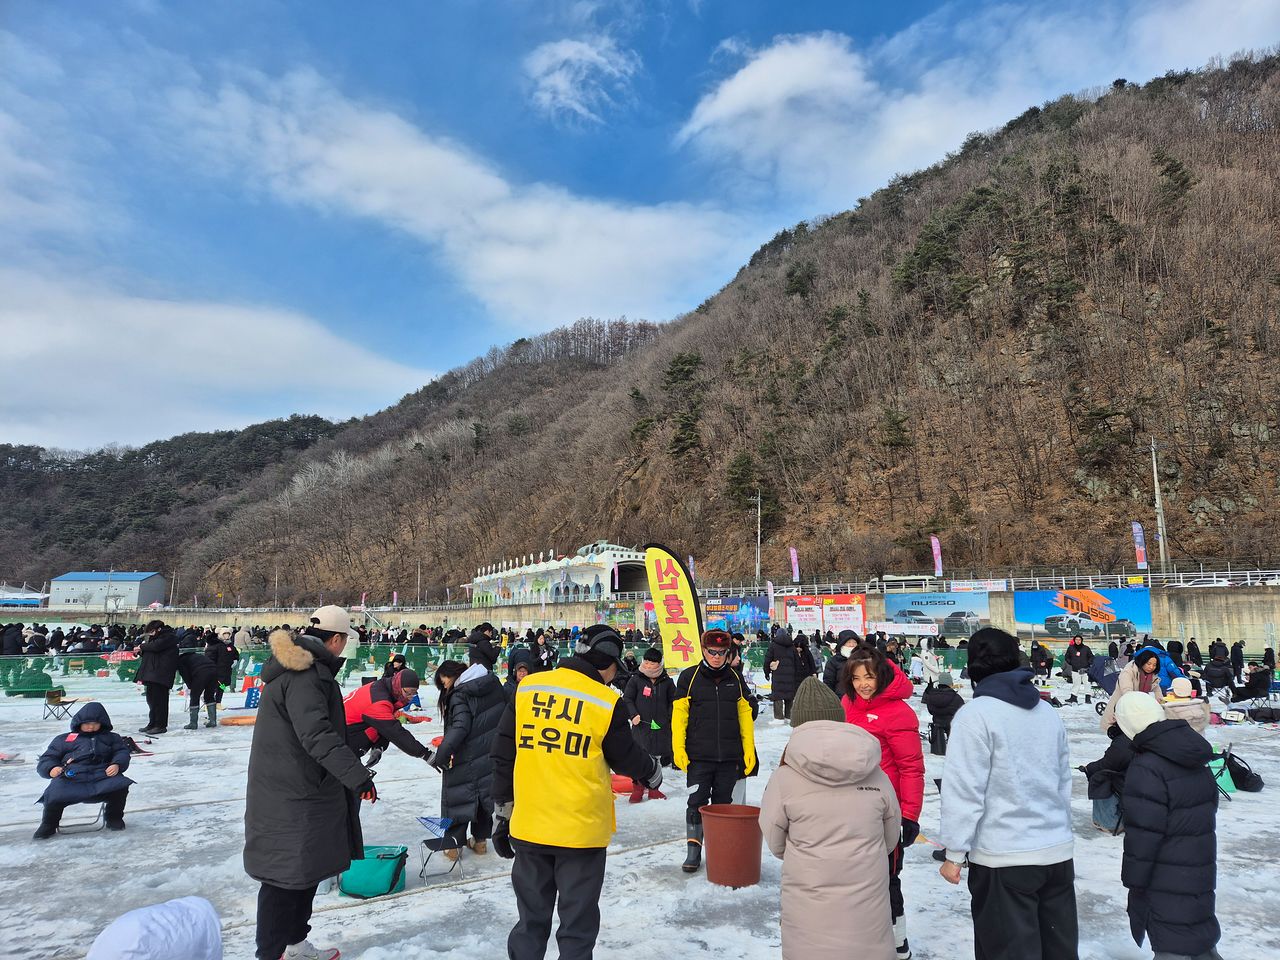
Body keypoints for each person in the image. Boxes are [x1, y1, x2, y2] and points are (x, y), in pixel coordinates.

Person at [490, 624, 661, 960]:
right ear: (609, 663)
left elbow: (503, 753)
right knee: (577, 928)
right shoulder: (604, 702)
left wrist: (502, 812)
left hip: (530, 825)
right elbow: (625, 757)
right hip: (580, 833)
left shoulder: (528, 688)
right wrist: (652, 771)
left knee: (530, 922)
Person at [939, 628, 1077, 960]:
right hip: (1055, 854)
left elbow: (964, 790)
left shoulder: (976, 716)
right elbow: (1062, 780)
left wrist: (954, 853)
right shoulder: (1046, 711)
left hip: (1004, 858)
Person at [244, 608, 373, 960]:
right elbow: (316, 735)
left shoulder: (301, 670)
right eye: (345, 642)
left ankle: (295, 944)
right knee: (283, 879)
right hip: (293, 793)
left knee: (303, 872)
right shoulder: (305, 675)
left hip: (301, 788)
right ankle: (270, 954)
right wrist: (357, 776)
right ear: (336, 640)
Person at [759, 677, 900, 960]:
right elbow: (891, 835)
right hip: (867, 900)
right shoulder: (874, 772)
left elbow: (775, 841)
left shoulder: (785, 777)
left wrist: (806, 853)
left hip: (808, 900)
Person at [1114, 692, 1221, 960]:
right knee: (1197, 936)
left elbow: (1143, 836)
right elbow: (1210, 804)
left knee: (1173, 944)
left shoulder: (1147, 764)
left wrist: (1134, 882)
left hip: (1164, 874)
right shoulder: (1192, 751)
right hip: (1199, 865)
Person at [841, 646, 924, 958]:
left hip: (885, 813)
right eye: (857, 677)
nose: (863, 683)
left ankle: (897, 940)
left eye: (869, 677)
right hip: (849, 809)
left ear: (882, 676)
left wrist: (910, 815)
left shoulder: (899, 712)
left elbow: (911, 768)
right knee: (853, 878)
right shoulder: (847, 704)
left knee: (887, 879)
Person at [672, 629, 757, 873]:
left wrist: (748, 749)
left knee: (722, 805)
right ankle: (693, 852)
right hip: (699, 756)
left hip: (729, 756)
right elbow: (679, 716)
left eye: (722, 653)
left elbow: (744, 715)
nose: (717, 657)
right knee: (696, 802)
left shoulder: (736, 678)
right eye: (712, 652)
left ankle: (720, 851)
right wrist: (678, 747)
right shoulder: (689, 677)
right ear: (703, 650)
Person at [433, 634, 506, 857]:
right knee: (484, 798)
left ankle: (454, 846)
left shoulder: (459, 694)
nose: (444, 688)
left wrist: (442, 754)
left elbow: (460, 727)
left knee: (457, 798)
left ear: (450, 675)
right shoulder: (491, 684)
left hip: (465, 755)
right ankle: (481, 841)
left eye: (443, 682)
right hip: (490, 752)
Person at [34, 701, 133, 839]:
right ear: (79, 722)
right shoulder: (64, 739)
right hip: (72, 777)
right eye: (87, 724)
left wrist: (117, 764)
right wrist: (51, 768)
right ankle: (48, 824)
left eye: (95, 724)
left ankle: (114, 817)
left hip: (102, 775)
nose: (91, 727)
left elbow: (122, 752)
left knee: (120, 786)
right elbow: (48, 757)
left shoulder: (112, 738)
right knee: (54, 791)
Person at [343, 669, 433, 762]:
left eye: (414, 693)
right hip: (340, 735)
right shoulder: (379, 701)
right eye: (408, 692)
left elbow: (384, 726)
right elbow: (394, 732)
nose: (410, 696)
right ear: (399, 685)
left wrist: (379, 746)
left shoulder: (384, 687)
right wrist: (426, 755)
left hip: (348, 729)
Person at [622, 647, 675, 801]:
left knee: (657, 758)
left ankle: (654, 788)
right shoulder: (636, 679)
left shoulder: (667, 682)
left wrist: (670, 717)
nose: (649, 665)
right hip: (641, 727)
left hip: (661, 728)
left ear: (659, 664)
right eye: (646, 662)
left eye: (652, 663)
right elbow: (628, 699)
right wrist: (633, 714)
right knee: (639, 757)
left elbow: (673, 701)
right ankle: (637, 787)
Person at [1081, 724, 1135, 834]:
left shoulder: (1125, 739)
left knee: (1100, 778)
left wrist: (1089, 768)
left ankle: (1110, 822)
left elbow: (1108, 764)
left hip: (1133, 782)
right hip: (1141, 778)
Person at [1100, 649, 1166, 732]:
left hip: (1137, 709)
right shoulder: (1129, 671)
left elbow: (1156, 689)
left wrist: (1162, 702)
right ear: (1142, 661)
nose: (1151, 667)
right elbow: (1127, 691)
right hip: (1121, 707)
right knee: (1121, 735)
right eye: (1149, 664)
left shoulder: (1151, 675)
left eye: (1154, 665)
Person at [763, 625, 816, 721]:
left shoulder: (773, 645)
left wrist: (766, 672)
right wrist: (796, 673)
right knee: (789, 696)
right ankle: (789, 716)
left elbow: (767, 660)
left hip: (778, 675)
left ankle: (779, 718)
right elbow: (797, 661)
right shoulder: (791, 646)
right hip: (791, 675)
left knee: (778, 695)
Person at [135, 620, 179, 735]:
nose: (150, 634)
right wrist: (140, 651)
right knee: (152, 701)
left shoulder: (168, 638)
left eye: (152, 631)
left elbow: (156, 647)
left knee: (160, 701)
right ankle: (152, 723)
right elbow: (152, 652)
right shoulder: (155, 640)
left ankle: (160, 725)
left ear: (159, 629)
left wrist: (142, 646)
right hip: (152, 675)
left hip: (161, 675)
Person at [176, 639, 222, 730]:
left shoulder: (181, 661)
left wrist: (191, 686)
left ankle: (193, 723)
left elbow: (185, 675)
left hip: (201, 673)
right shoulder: (197, 656)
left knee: (194, 696)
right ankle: (212, 721)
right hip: (214, 671)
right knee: (209, 696)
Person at [921, 671, 965, 755]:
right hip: (952, 725)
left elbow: (930, 710)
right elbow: (962, 711)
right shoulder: (956, 698)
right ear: (950, 683)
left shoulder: (931, 696)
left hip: (937, 723)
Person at [205, 627, 240, 704]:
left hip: (226, 671)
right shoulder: (215, 645)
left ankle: (218, 702)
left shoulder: (230, 645)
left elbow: (235, 654)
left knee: (222, 687)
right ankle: (209, 703)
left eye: (228, 634)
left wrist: (235, 660)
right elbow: (209, 657)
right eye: (225, 634)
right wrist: (211, 667)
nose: (227, 636)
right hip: (216, 671)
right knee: (213, 687)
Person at [1064, 636, 1094, 704]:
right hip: (1075, 670)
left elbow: (1091, 657)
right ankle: (1073, 698)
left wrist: (1088, 663)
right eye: (1076, 640)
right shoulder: (1071, 648)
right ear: (1074, 640)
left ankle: (1088, 698)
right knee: (1076, 684)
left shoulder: (1086, 648)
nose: (1078, 641)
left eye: (1079, 640)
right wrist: (1071, 662)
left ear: (1081, 640)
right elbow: (1067, 657)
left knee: (1087, 683)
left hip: (1085, 670)